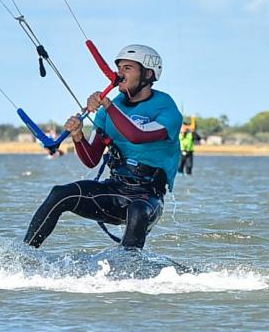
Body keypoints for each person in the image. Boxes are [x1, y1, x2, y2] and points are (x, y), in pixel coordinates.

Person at [24, 44, 183, 250]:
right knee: (60, 193)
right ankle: (26, 255)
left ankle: (127, 268)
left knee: (137, 209)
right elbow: (91, 159)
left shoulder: (165, 106)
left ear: (148, 74)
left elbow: (138, 135)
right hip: (115, 189)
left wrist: (108, 105)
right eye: (119, 68)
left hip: (148, 196)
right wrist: (78, 135)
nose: (119, 74)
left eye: (128, 68)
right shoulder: (109, 110)